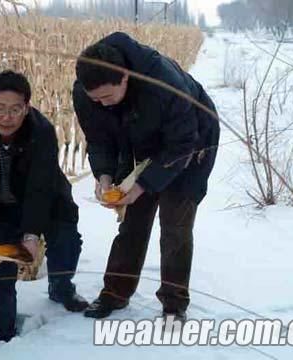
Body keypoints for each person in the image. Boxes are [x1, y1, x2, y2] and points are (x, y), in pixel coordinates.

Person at [72, 32, 220, 320]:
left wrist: (143, 184)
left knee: (175, 225)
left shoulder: (163, 83)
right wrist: (104, 177)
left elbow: (182, 143)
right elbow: (100, 139)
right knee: (132, 220)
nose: (101, 104)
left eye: (107, 96)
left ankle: (174, 306)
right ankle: (114, 293)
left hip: (192, 142)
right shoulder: (86, 93)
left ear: (124, 77)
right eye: (95, 99)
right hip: (138, 138)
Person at [0, 70, 88, 342]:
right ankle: (3, 329)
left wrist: (30, 234)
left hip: (46, 200)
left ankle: (61, 287)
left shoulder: (42, 131)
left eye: (15, 109)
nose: (7, 117)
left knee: (66, 238)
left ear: (27, 108)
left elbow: (40, 187)